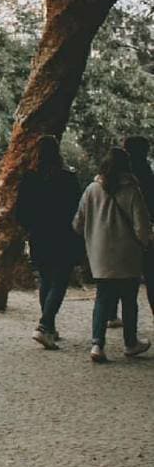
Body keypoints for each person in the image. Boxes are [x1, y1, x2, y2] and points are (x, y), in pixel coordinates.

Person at [73, 147, 151, 363]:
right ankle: (130, 342)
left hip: (100, 255)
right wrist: (143, 244)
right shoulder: (133, 191)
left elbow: (78, 223)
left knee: (102, 299)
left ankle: (97, 344)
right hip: (128, 255)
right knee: (129, 300)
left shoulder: (91, 190)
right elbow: (142, 227)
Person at [15, 135, 82, 350]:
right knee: (60, 280)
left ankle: (50, 328)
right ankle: (44, 325)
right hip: (63, 235)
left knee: (45, 279)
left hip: (39, 235)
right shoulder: (68, 178)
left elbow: (21, 212)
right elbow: (77, 209)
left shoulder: (29, 178)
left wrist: (31, 228)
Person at [105, 136, 154, 328]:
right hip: (145, 235)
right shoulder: (148, 176)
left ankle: (110, 314)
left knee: (117, 277)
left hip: (117, 234)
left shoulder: (114, 179)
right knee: (150, 277)